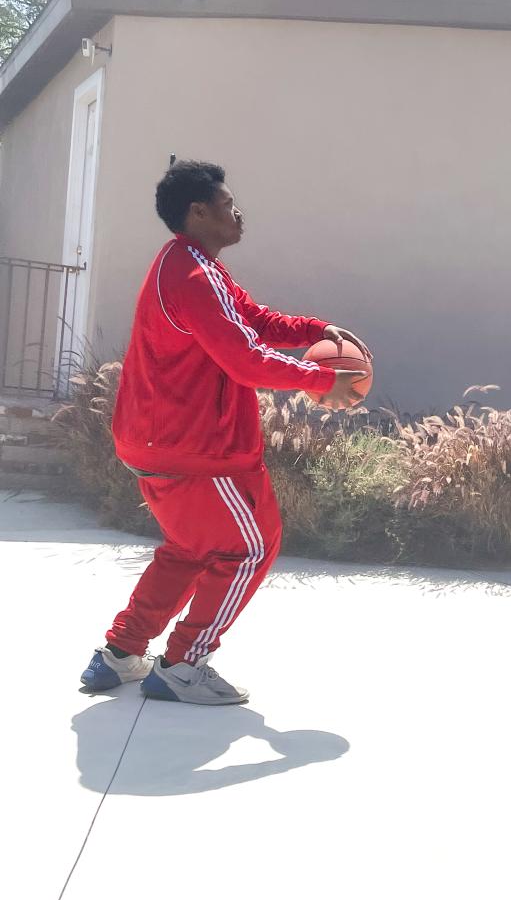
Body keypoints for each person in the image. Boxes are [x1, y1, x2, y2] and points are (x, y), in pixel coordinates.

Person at [80, 160, 369, 705]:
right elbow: (245, 360)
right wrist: (321, 379)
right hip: (198, 450)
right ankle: (184, 664)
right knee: (252, 547)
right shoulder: (191, 275)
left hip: (158, 442)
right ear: (198, 211)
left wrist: (313, 330)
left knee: (191, 548)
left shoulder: (192, 266)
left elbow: (250, 320)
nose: (238, 212)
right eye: (227, 203)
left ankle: (120, 654)